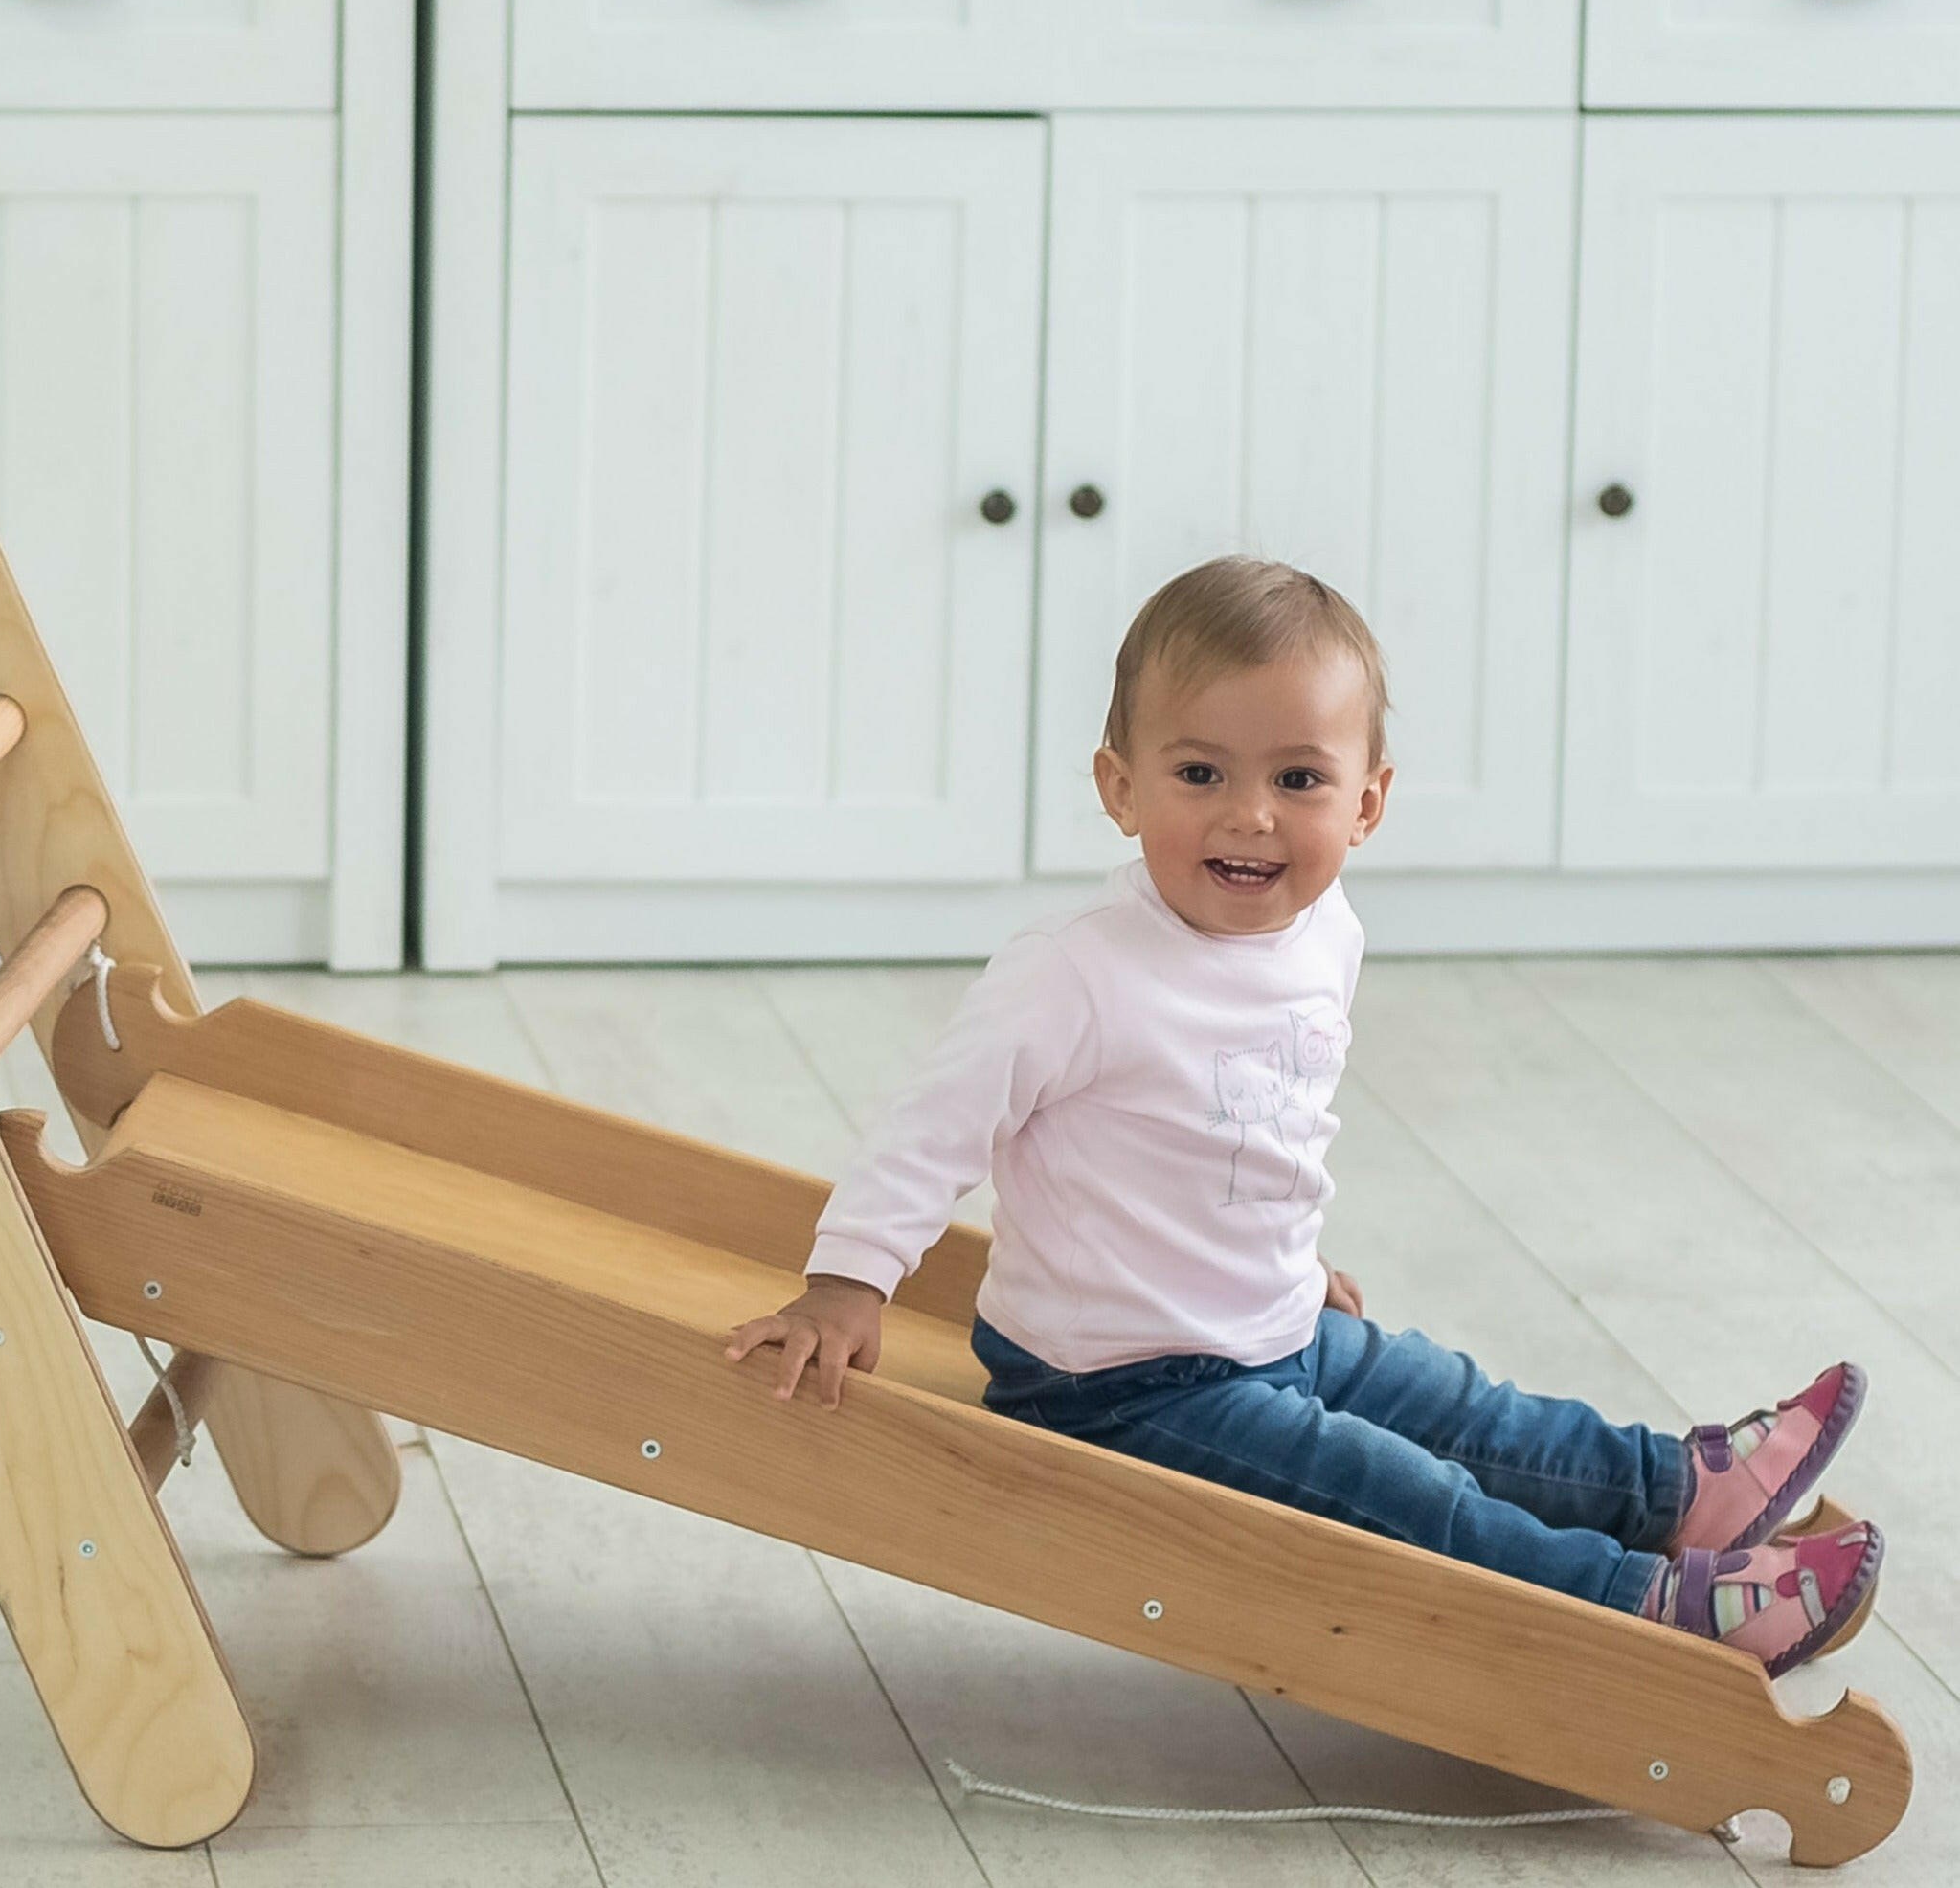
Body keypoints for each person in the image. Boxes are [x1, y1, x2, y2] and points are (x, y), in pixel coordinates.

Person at [724, 555, 1881, 1676]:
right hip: (1119, 1383)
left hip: (1266, 1317)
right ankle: (1635, 1608)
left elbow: (1252, 1126)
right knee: (1401, 1491)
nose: (1250, 818)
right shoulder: (1073, 975)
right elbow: (933, 1127)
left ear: (1366, 801)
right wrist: (847, 1282)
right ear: (1118, 785)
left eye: (1296, 779)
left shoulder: (1325, 935)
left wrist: (1283, 1254)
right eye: (1198, 775)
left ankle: (1674, 1493)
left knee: (1459, 1404)